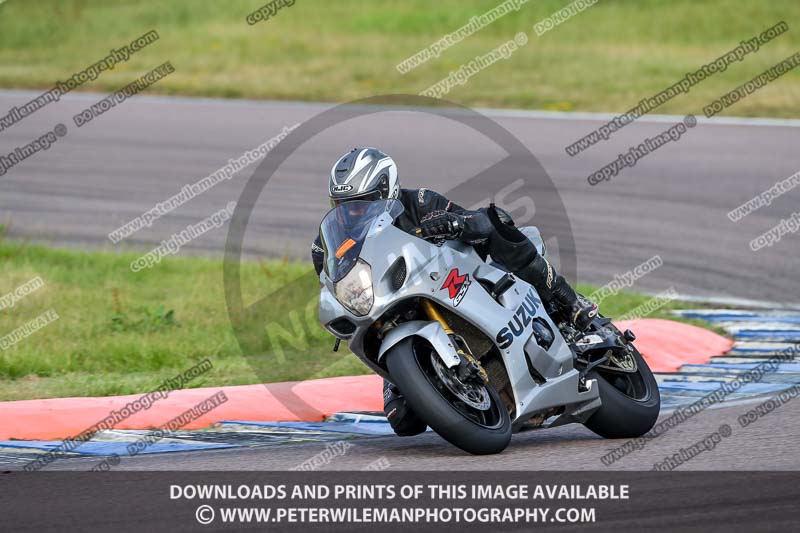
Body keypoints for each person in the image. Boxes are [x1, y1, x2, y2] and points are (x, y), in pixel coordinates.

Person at [311, 147, 598, 437]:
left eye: (361, 203)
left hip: (453, 279)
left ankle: (569, 300)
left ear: (386, 190)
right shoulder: (326, 243)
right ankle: (457, 391)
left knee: (495, 221)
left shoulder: (418, 201)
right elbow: (333, 281)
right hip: (390, 312)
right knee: (403, 421)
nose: (352, 211)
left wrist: (456, 223)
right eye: (342, 204)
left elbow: (474, 220)